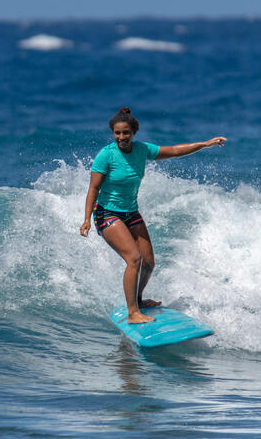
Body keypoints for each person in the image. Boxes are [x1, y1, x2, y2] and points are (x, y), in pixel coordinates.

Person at [80, 107, 226, 324]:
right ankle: (132, 313)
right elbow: (93, 189)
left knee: (148, 262)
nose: (121, 137)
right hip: (107, 214)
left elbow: (175, 150)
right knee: (134, 259)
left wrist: (205, 144)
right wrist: (86, 220)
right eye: (117, 133)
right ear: (113, 133)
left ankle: (138, 301)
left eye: (126, 133)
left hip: (130, 212)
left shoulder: (142, 150)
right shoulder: (106, 155)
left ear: (133, 132)